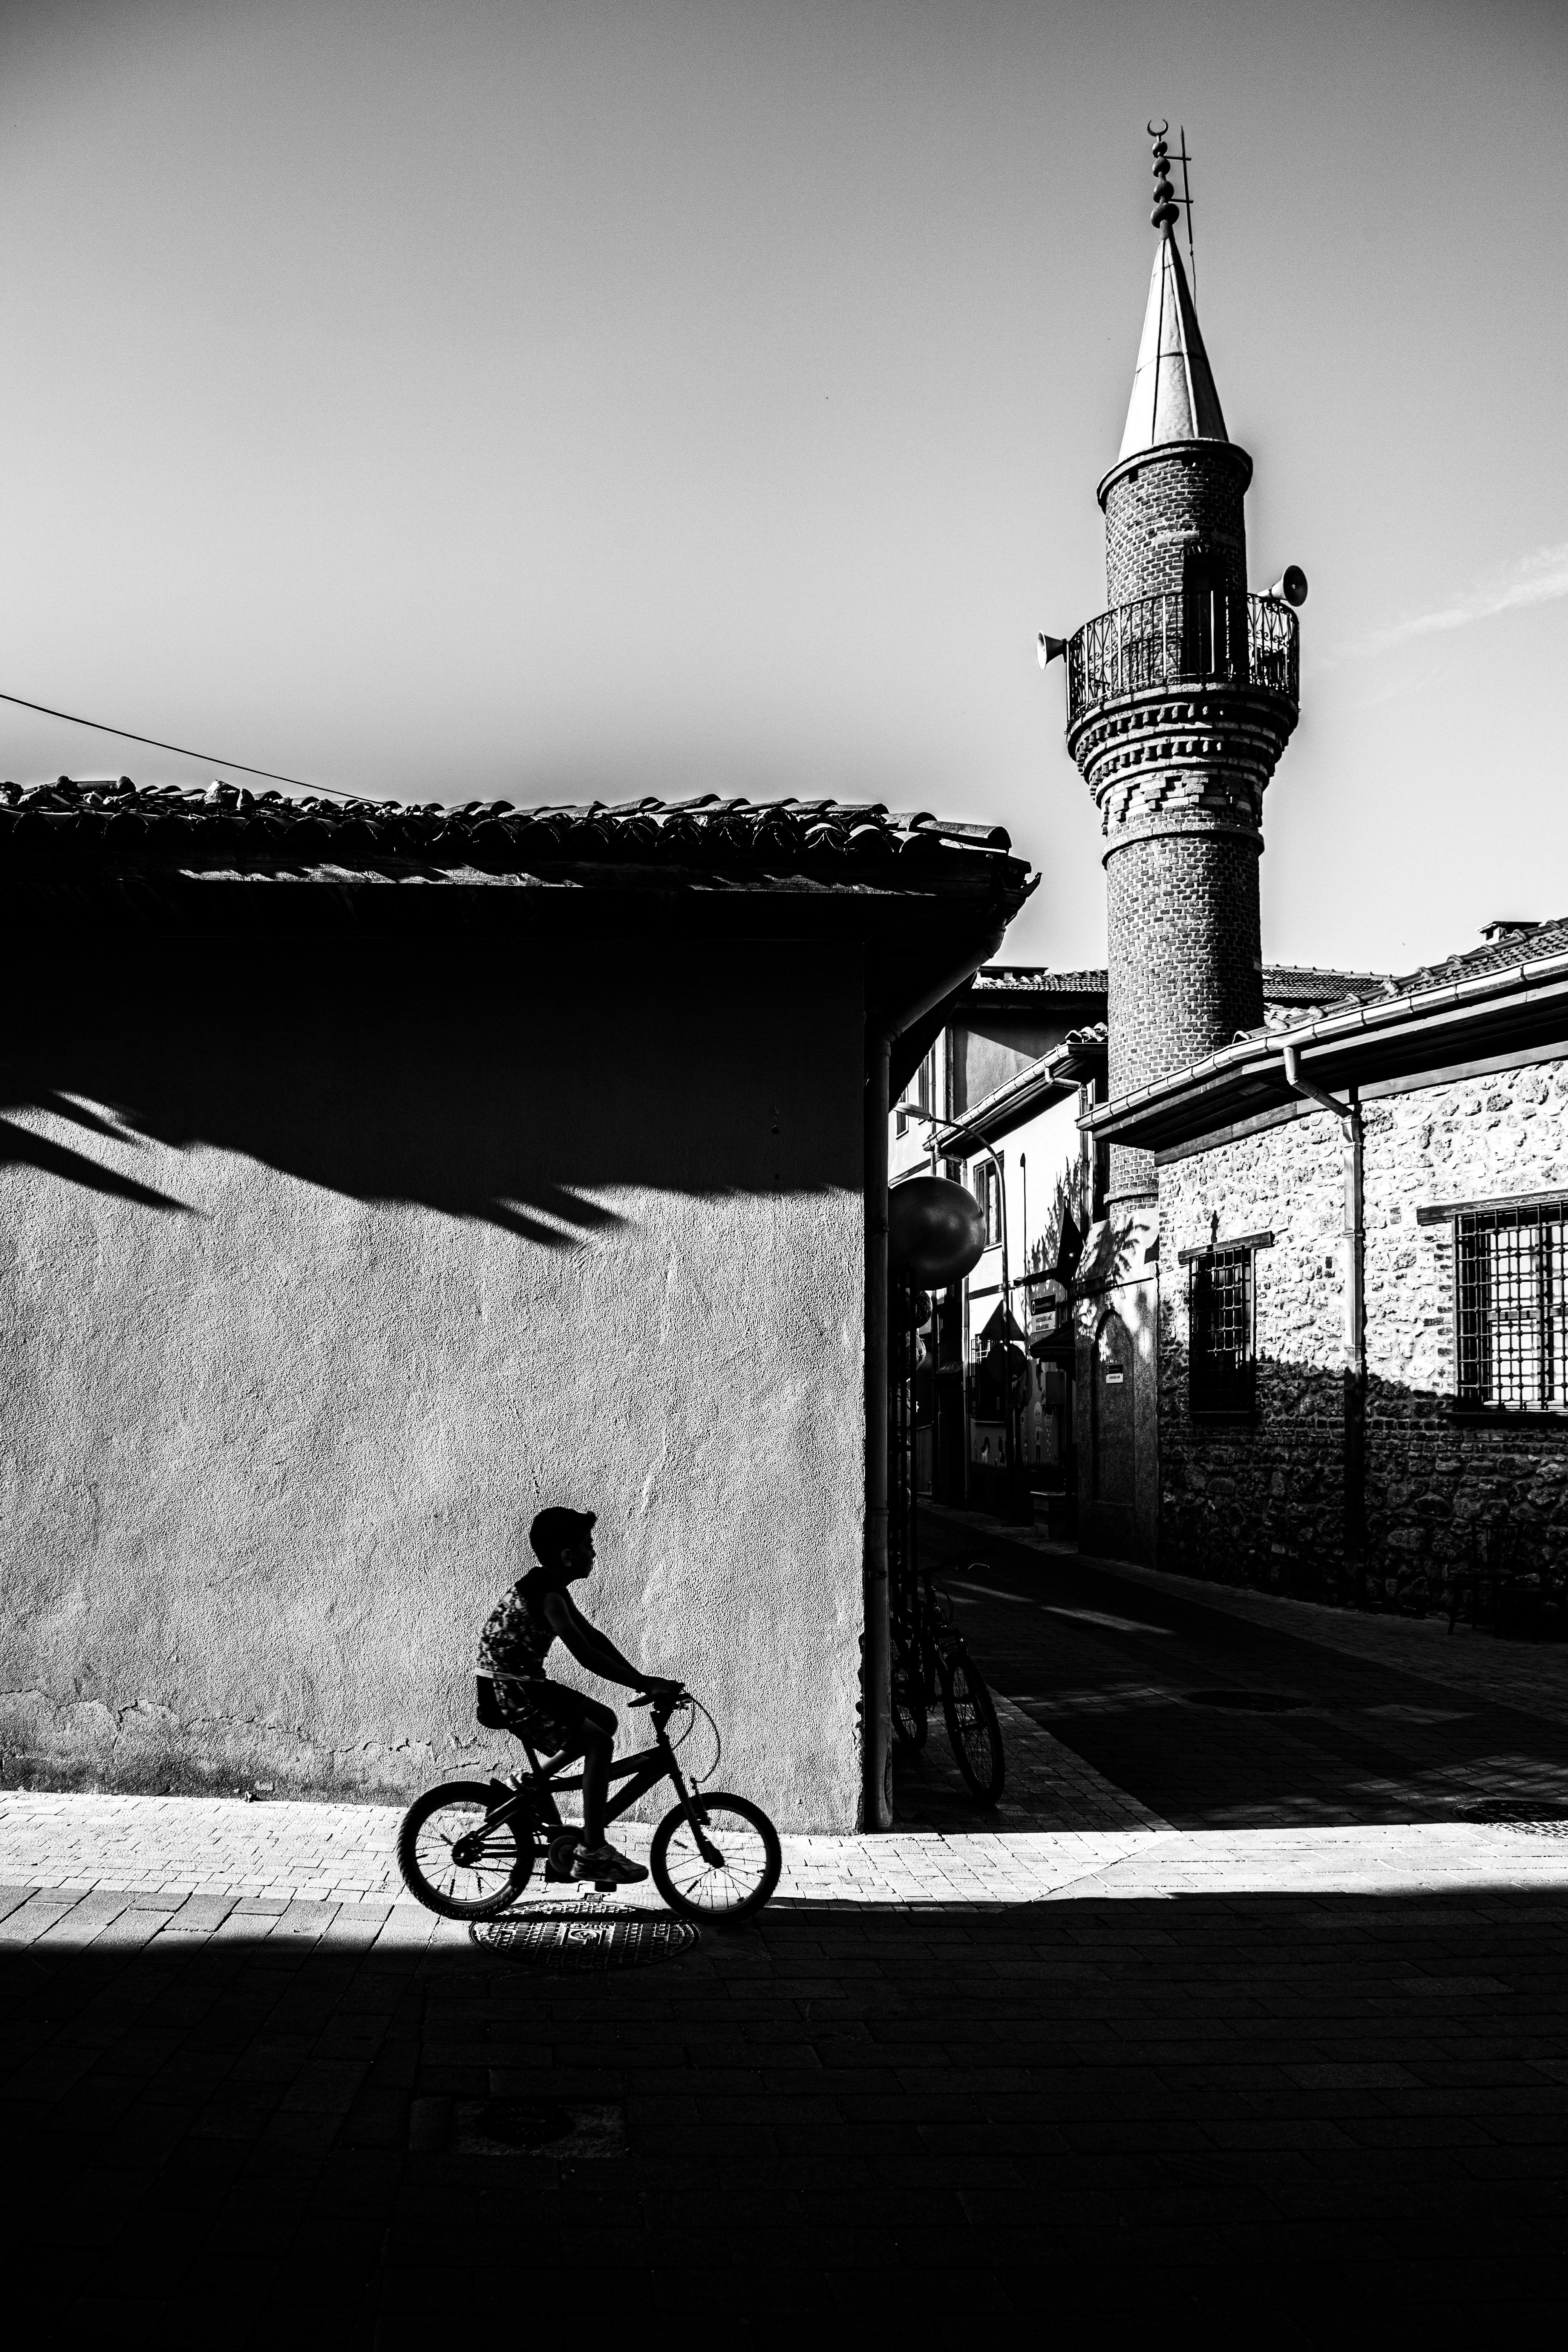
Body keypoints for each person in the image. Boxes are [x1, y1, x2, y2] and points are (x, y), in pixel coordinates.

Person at [476, 1505, 680, 1885]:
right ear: (568, 1556)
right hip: (510, 1690)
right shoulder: (548, 1596)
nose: (594, 1552)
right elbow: (585, 1657)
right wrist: (642, 1685)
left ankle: (531, 1784)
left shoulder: (552, 1588)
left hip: (523, 1682)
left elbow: (594, 1639)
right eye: (588, 1545)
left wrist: (643, 1678)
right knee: (599, 1744)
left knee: (606, 1720)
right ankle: (591, 1853)